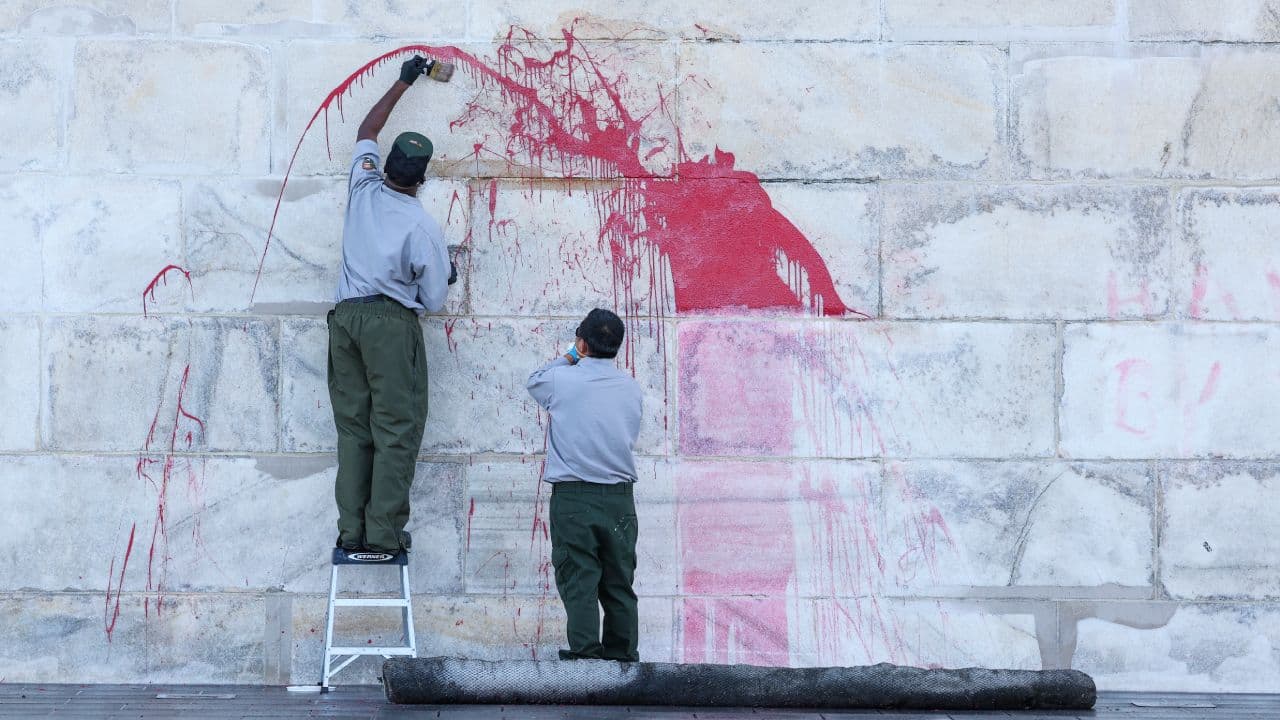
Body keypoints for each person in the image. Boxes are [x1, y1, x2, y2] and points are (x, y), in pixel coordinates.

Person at [328, 55, 456, 558]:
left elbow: (367, 127)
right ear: (421, 178)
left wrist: (405, 80)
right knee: (396, 429)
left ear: (386, 166)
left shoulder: (361, 187)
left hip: (345, 320)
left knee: (354, 429)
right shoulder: (422, 225)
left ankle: (350, 530)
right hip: (389, 322)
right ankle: (382, 535)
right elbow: (434, 298)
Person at [526, 309, 644, 661]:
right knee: (620, 583)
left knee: (579, 580)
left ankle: (587, 660)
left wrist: (570, 356)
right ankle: (624, 660)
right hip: (620, 499)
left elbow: (535, 380)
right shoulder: (631, 387)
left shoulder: (563, 381)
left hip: (574, 497)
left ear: (582, 342)